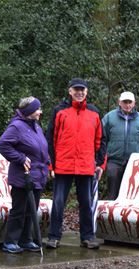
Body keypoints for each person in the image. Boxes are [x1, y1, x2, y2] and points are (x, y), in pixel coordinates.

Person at [46, 77, 105, 250]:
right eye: (76, 89)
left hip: (86, 165)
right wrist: (52, 165)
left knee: (86, 202)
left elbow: (100, 140)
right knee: (58, 202)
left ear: (86, 92)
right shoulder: (59, 111)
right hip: (63, 165)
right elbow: (51, 139)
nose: (79, 93)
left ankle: (87, 237)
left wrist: (99, 164)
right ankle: (54, 236)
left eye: (82, 90)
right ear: (70, 91)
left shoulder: (94, 112)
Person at [0, 97, 49, 253]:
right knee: (19, 209)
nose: (40, 112)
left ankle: (26, 239)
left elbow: (41, 148)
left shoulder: (36, 126)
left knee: (31, 210)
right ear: (29, 111)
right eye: (37, 109)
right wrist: (20, 158)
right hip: (23, 176)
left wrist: (48, 162)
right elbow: (3, 144)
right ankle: (10, 241)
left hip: (38, 175)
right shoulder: (16, 127)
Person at [102, 91, 139, 199]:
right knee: (113, 192)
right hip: (114, 161)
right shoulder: (109, 118)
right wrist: (103, 155)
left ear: (134, 103)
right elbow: (101, 138)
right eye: (125, 102)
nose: (127, 105)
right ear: (119, 102)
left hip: (135, 163)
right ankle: (112, 215)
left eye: (129, 102)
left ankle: (129, 215)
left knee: (133, 193)